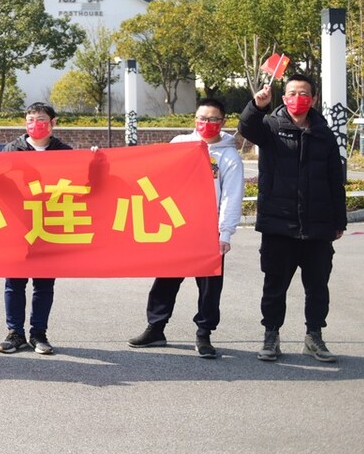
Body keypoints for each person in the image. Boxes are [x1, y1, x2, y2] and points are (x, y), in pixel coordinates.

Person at [239, 74, 346, 363]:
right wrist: (256, 106)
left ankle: (314, 337)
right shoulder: (271, 127)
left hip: (318, 227)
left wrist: (339, 220)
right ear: (283, 97)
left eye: (303, 93)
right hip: (278, 224)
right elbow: (246, 127)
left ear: (312, 98)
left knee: (317, 287)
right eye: (291, 93)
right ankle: (271, 336)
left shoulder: (324, 133)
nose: (297, 98)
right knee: (274, 286)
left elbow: (336, 179)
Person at [128, 99, 244, 358]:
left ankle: (204, 334)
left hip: (208, 230)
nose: (207, 124)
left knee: (209, 286)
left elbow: (231, 196)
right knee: (165, 279)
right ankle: (155, 328)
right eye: (202, 118)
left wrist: (225, 233)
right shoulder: (180, 144)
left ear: (223, 122)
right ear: (194, 120)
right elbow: (155, 172)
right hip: (178, 226)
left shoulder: (228, 155)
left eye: (214, 119)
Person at [0, 102, 73, 356]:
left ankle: (38, 333)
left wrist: (96, 161)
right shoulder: (12, 149)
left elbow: (83, 182)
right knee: (14, 281)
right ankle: (15, 333)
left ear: (53, 122)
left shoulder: (65, 152)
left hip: (49, 225)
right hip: (17, 225)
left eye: (41, 119)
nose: (35, 124)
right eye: (30, 119)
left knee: (44, 283)